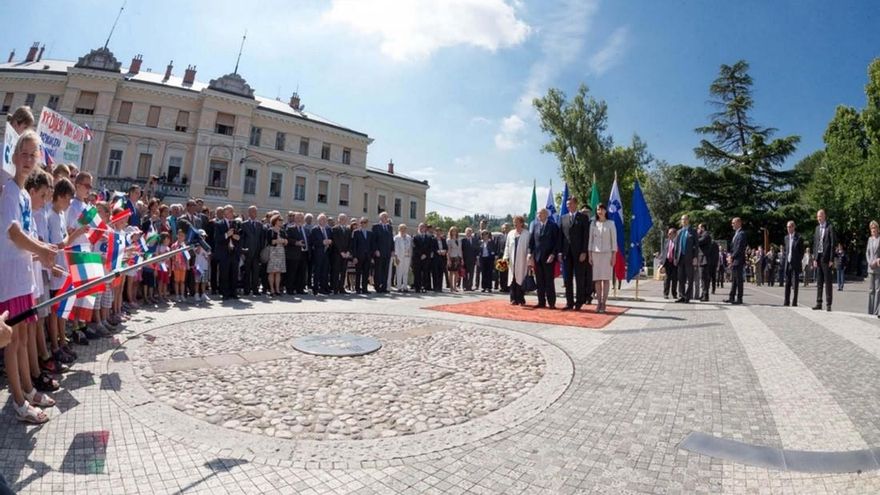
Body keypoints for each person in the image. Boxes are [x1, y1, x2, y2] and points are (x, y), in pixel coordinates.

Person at [1, 130, 59, 423]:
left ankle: (28, 387)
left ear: (37, 160)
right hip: (9, 277)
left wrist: (46, 254)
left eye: (32, 154)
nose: (26, 159)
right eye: (22, 153)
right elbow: (13, 233)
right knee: (12, 340)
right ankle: (19, 400)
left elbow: (25, 240)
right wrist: (41, 249)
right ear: (14, 156)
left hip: (24, 276)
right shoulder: (10, 190)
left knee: (23, 338)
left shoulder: (24, 194)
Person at [559, 196, 590, 310]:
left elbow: (586, 236)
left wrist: (584, 251)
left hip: (579, 253)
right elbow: (561, 237)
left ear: (576, 204)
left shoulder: (583, 217)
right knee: (567, 279)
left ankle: (579, 302)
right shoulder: (563, 218)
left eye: (570, 204)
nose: (568, 206)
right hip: (566, 253)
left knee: (580, 278)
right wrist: (560, 252)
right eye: (567, 204)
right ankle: (569, 302)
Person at [530, 208, 561, 309]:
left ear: (546, 214)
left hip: (549, 257)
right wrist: (530, 254)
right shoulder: (535, 225)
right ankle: (541, 302)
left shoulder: (553, 225)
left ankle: (551, 303)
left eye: (540, 213)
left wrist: (553, 254)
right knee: (539, 281)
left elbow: (557, 242)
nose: (538, 215)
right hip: (537, 257)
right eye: (538, 213)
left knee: (549, 281)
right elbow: (532, 242)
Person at [588, 204, 617, 313]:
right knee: (597, 280)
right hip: (595, 254)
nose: (600, 211)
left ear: (605, 211)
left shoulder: (611, 224)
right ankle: (598, 302)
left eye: (602, 209)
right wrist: (590, 255)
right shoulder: (593, 224)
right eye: (598, 209)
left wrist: (614, 256)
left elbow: (614, 241)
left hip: (607, 254)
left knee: (605, 279)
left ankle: (604, 303)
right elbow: (590, 241)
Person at [214, 205, 241, 300]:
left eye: (232, 211)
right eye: (230, 211)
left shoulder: (236, 223)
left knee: (234, 273)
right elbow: (217, 239)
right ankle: (225, 293)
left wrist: (238, 238)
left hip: (234, 252)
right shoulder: (219, 224)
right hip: (224, 253)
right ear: (225, 213)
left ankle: (234, 292)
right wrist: (227, 234)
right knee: (224, 274)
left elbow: (239, 236)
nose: (232, 213)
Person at [503, 215, 531, 306]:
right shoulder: (510, 233)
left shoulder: (527, 234)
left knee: (520, 279)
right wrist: (505, 257)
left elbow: (529, 247)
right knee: (512, 279)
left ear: (521, 223)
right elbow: (507, 246)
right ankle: (513, 298)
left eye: (517, 221)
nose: (515, 223)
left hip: (522, 259)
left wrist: (529, 257)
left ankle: (521, 299)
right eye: (514, 221)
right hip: (512, 259)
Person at [812, 209, 835, 311]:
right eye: (817, 217)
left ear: (824, 216)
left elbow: (832, 244)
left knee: (828, 282)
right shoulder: (817, 229)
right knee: (819, 282)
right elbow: (815, 244)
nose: (818, 218)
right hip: (818, 257)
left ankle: (828, 304)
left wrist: (831, 259)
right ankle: (819, 302)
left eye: (820, 216)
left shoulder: (829, 227)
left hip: (826, 259)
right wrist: (814, 258)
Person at [240, 205, 265, 296]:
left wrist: (261, 250)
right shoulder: (244, 224)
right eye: (253, 211)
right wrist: (242, 251)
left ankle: (255, 289)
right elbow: (242, 239)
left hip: (257, 253)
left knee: (256, 272)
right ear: (249, 213)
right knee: (247, 272)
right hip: (247, 252)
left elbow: (261, 239)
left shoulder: (259, 225)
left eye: (256, 211)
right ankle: (246, 290)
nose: (255, 213)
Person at [674, 214, 697, 303]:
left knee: (690, 278)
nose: (683, 221)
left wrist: (695, 257)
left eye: (685, 219)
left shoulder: (693, 231)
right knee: (681, 278)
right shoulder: (679, 232)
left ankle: (688, 296)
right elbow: (676, 246)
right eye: (682, 220)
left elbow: (696, 245)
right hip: (680, 258)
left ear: (688, 220)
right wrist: (675, 257)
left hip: (689, 258)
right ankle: (682, 296)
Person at [781, 220, 804, 307]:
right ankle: (786, 301)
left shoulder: (799, 238)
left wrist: (797, 260)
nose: (788, 228)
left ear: (794, 227)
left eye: (790, 227)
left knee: (795, 284)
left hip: (795, 264)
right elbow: (786, 251)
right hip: (788, 263)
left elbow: (801, 252)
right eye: (787, 227)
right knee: (787, 283)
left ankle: (794, 302)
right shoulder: (786, 238)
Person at [309, 213, 333, 295]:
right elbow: (312, 242)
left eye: (325, 219)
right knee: (317, 271)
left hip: (327, 253)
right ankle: (315, 288)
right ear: (318, 220)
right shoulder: (314, 229)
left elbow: (332, 239)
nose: (324, 221)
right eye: (322, 219)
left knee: (325, 271)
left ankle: (324, 287)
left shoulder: (328, 229)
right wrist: (322, 242)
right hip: (318, 253)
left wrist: (330, 242)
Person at [371, 212, 395, 293]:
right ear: (380, 218)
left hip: (387, 252)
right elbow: (373, 240)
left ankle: (384, 287)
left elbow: (391, 240)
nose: (385, 218)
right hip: (379, 252)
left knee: (386, 270)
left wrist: (392, 250)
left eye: (386, 217)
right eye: (384, 216)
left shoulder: (389, 227)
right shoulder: (376, 227)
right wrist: (376, 250)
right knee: (378, 270)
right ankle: (377, 286)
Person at [725, 217, 746, 305]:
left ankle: (739, 298)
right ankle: (731, 297)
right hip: (734, 260)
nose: (732, 224)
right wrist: (730, 256)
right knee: (733, 280)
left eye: (733, 223)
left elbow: (739, 248)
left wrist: (732, 257)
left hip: (738, 260)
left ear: (738, 223)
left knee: (739, 280)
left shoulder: (742, 234)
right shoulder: (736, 234)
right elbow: (733, 247)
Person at [331, 213, 352, 294]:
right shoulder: (335, 229)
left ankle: (341, 288)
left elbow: (350, 242)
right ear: (338, 220)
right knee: (336, 272)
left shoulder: (348, 230)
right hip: (337, 254)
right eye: (341, 219)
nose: (343, 220)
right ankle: (335, 288)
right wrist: (341, 252)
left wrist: (348, 252)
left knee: (343, 272)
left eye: (344, 219)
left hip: (346, 255)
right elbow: (336, 241)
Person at [266, 215, 287, 296]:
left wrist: (283, 241)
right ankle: (272, 290)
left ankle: (277, 290)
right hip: (273, 252)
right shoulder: (270, 230)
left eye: (282, 220)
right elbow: (270, 242)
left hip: (281, 252)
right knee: (272, 272)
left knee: (278, 272)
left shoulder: (282, 231)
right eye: (280, 220)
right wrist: (279, 241)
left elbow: (286, 242)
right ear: (275, 221)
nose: (281, 221)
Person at [352, 217, 373, 294]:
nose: (363, 224)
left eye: (365, 222)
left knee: (366, 273)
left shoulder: (370, 233)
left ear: (367, 224)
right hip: (358, 256)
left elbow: (371, 246)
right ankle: (357, 288)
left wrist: (371, 256)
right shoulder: (356, 232)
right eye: (362, 222)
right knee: (358, 273)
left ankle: (365, 288)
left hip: (367, 257)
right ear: (360, 223)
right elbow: (354, 246)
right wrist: (354, 257)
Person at [412, 223, 432, 293]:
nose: (421, 228)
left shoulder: (429, 237)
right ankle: (417, 287)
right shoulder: (415, 237)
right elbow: (415, 247)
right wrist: (421, 254)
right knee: (417, 273)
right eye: (420, 227)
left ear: (425, 228)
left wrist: (425, 254)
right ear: (418, 228)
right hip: (417, 258)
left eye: (423, 227)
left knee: (425, 273)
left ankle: (424, 287)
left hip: (426, 258)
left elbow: (430, 247)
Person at [171, 229, 189, 303]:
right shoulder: (174, 245)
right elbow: (172, 256)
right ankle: (177, 295)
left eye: (183, 236)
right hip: (176, 266)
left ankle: (182, 295)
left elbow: (187, 256)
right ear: (177, 235)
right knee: (176, 281)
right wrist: (175, 263)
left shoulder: (185, 245)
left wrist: (188, 264)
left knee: (182, 281)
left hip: (183, 265)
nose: (181, 237)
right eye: (180, 235)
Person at [393, 224, 412, 292]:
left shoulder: (409, 237)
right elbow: (395, 248)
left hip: (407, 257)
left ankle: (405, 286)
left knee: (406, 272)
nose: (403, 230)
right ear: (399, 229)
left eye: (404, 228)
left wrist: (410, 255)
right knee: (399, 272)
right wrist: (396, 257)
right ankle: (399, 287)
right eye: (401, 228)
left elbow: (410, 247)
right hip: (399, 257)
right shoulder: (396, 237)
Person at [866, 220, 880, 318]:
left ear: (878, 229)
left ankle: (876, 311)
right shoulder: (869, 239)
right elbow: (867, 252)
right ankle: (870, 311)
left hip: (878, 267)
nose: (873, 230)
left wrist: (878, 260)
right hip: (870, 267)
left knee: (878, 290)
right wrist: (869, 262)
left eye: (874, 228)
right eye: (871, 228)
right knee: (871, 290)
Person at [696, 223, 712, 301]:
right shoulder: (704, 235)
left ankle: (705, 295)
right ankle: (703, 294)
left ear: (702, 228)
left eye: (699, 228)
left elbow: (699, 242)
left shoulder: (706, 235)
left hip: (704, 259)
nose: (698, 230)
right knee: (702, 278)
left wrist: (697, 235)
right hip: (702, 260)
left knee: (704, 278)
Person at [661, 227, 678, 300]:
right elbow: (664, 252)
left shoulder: (677, 242)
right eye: (668, 233)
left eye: (670, 233)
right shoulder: (666, 241)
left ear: (674, 234)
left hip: (674, 263)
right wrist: (661, 263)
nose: (669, 235)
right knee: (667, 279)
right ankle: (666, 294)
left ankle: (674, 294)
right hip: (667, 262)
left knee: (674, 279)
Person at [430, 226, 447, 292]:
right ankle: (435, 287)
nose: (438, 233)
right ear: (435, 232)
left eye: (439, 231)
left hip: (442, 258)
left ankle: (440, 287)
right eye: (437, 231)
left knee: (441, 273)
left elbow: (446, 247)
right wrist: (438, 251)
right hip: (435, 258)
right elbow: (432, 248)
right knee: (435, 273)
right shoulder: (433, 239)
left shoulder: (443, 239)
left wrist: (444, 251)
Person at [446, 227, 463, 292]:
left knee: (457, 273)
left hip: (458, 257)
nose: (454, 232)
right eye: (452, 231)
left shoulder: (459, 240)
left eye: (455, 231)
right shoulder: (449, 240)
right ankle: (451, 287)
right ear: (450, 232)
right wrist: (448, 259)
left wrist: (462, 258)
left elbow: (460, 249)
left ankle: (455, 287)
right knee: (451, 273)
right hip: (452, 257)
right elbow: (448, 250)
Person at [495, 223, 510, 293]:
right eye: (504, 228)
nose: (505, 229)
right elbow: (497, 247)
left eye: (507, 227)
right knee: (501, 273)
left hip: (509, 257)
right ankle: (502, 287)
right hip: (501, 257)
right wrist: (497, 256)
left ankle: (508, 287)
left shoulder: (511, 236)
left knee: (508, 273)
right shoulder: (499, 237)